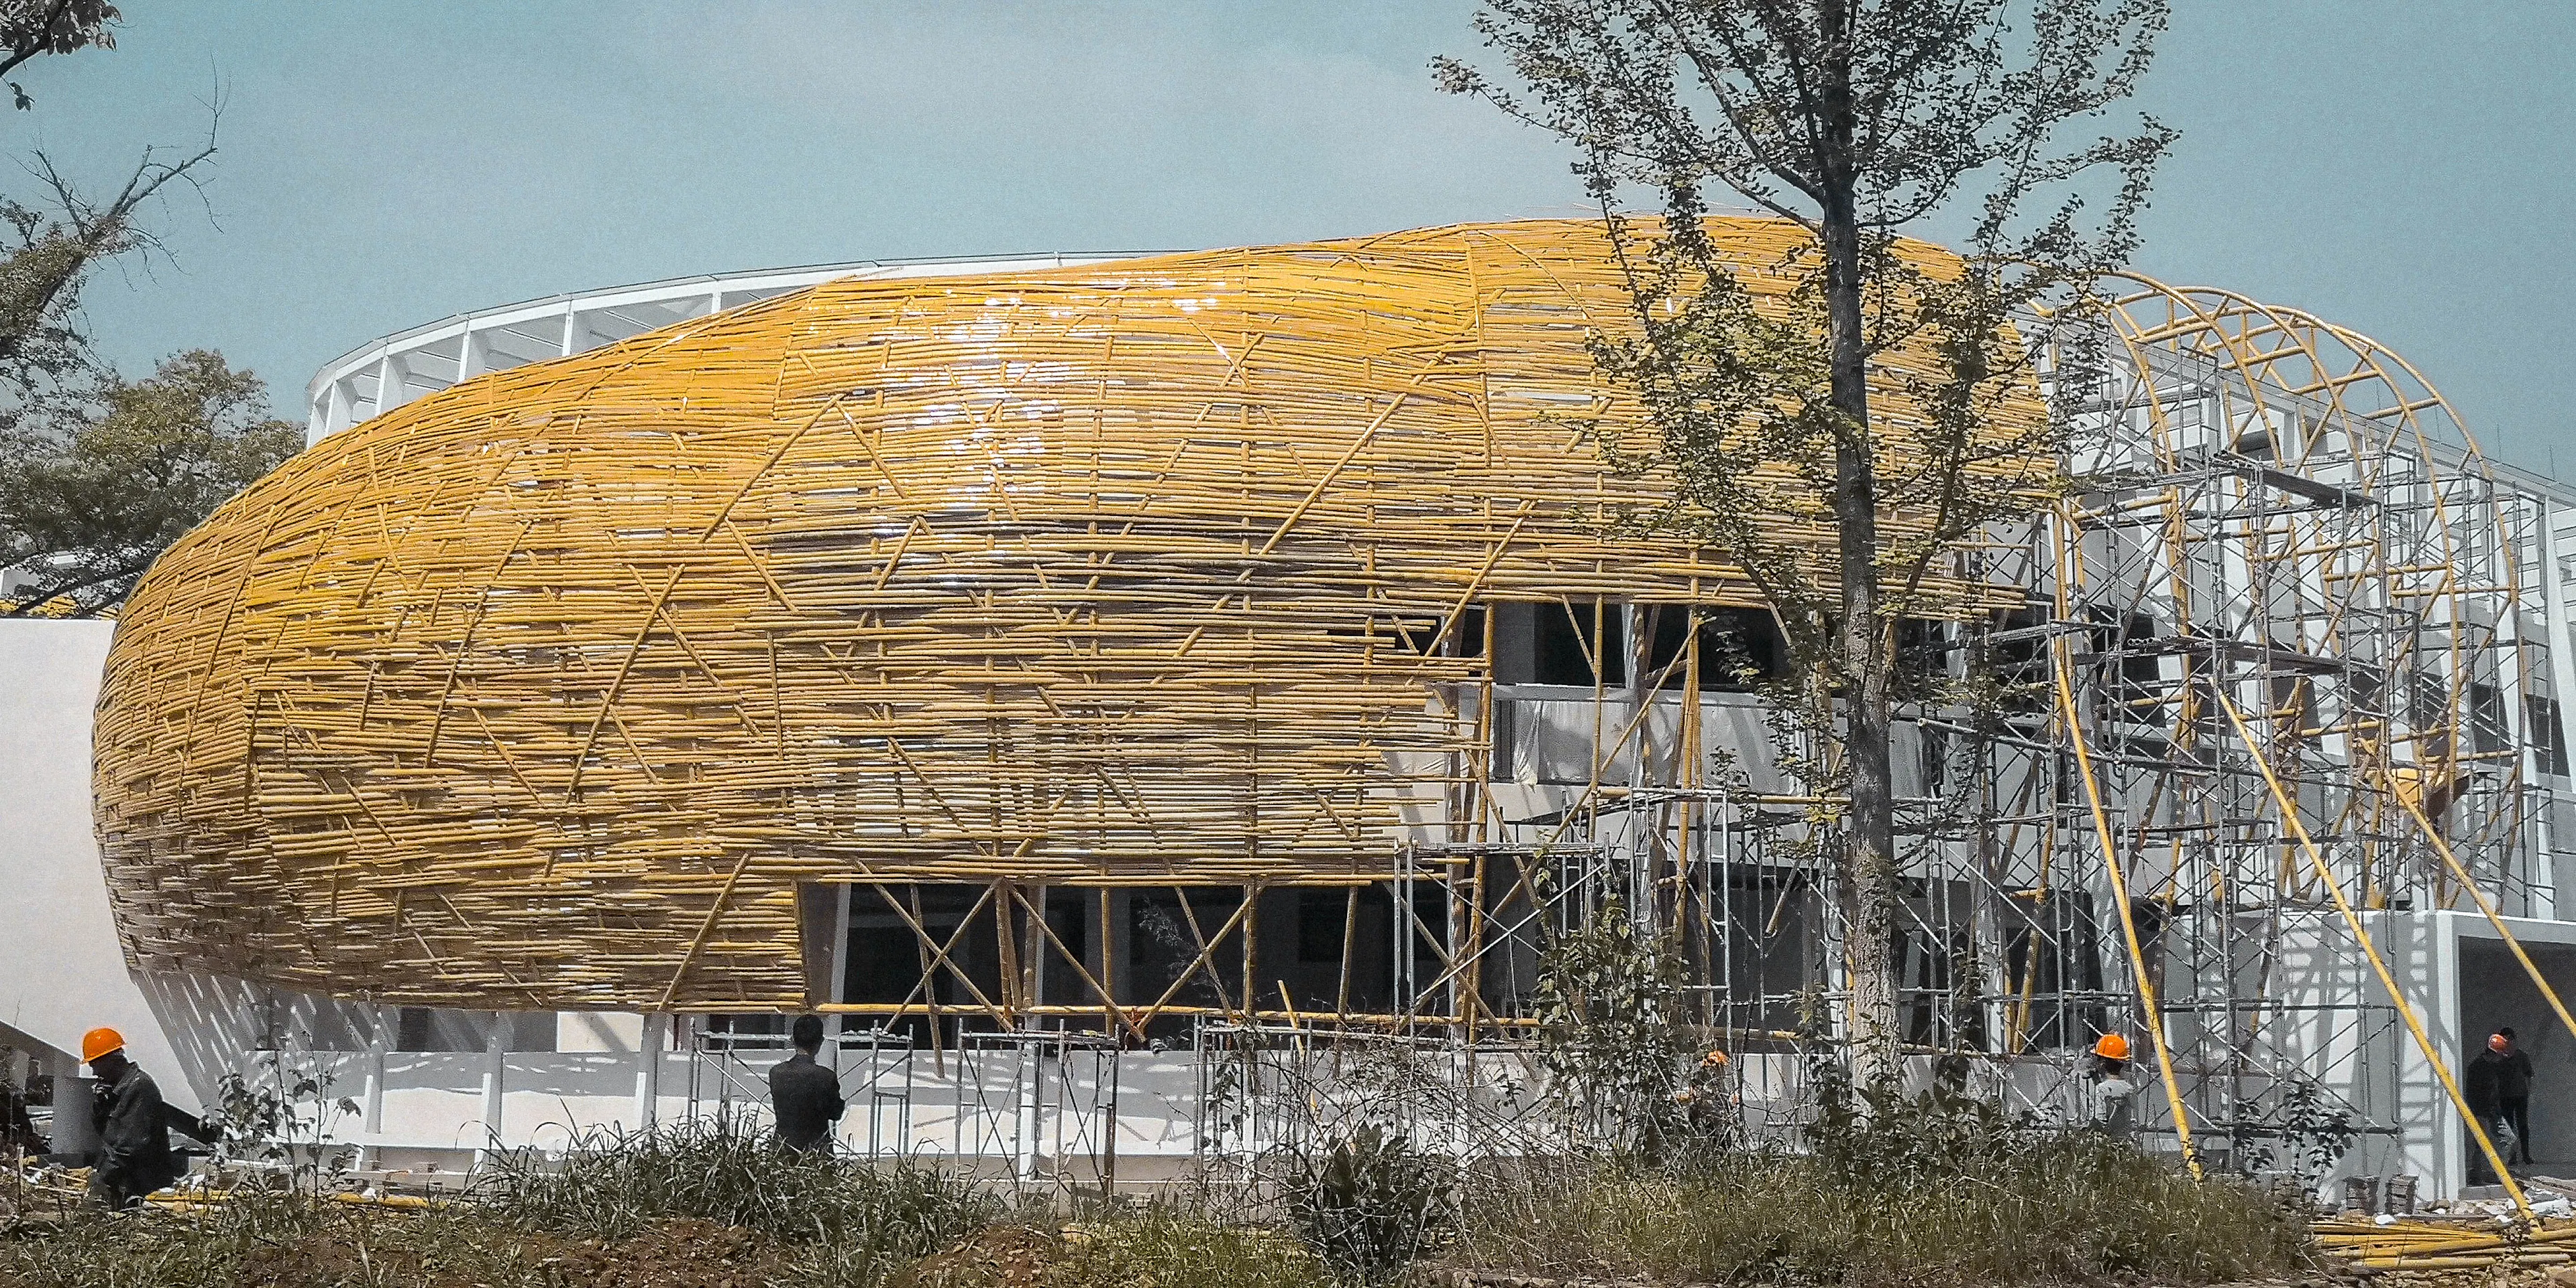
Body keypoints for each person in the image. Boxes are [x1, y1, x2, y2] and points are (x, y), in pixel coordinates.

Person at [80, 1027, 184, 1208]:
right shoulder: (120, 1089)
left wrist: (99, 1180)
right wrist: (100, 1105)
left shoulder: (140, 1087)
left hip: (144, 1188)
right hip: (127, 1184)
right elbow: (106, 1135)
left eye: (95, 1065)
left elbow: (128, 1147)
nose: (95, 1073)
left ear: (111, 1060)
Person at [767, 1014, 845, 1155]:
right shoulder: (826, 1077)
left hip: (783, 1150)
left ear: (792, 1040)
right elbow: (836, 1113)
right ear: (820, 1043)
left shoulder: (776, 1073)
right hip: (817, 1152)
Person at [2466, 1030, 2518, 1183]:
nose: (2501, 1059)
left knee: (2508, 1138)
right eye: (2500, 1055)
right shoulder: (2477, 1068)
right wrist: (2480, 1112)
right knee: (2480, 1145)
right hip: (2480, 1111)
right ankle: (2476, 1175)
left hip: (2493, 1112)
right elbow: (2474, 1093)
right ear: (2494, 1054)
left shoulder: (2493, 1067)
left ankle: (2499, 1173)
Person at [2496, 1027, 2537, 1165]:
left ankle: (2526, 1155)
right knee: (2508, 1127)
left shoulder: (2522, 1056)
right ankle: (2511, 1156)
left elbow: (2528, 1076)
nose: (2508, 1042)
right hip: (2505, 1096)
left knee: (2523, 1126)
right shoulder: (2498, 1059)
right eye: (2505, 1039)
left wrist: (2528, 1092)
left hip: (2520, 1096)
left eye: (2510, 1039)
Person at [2088, 1032, 2139, 1140]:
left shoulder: (2102, 1089)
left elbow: (2099, 1121)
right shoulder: (2130, 1089)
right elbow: (2132, 1120)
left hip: (2107, 1143)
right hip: (2125, 1141)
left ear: (2102, 1063)